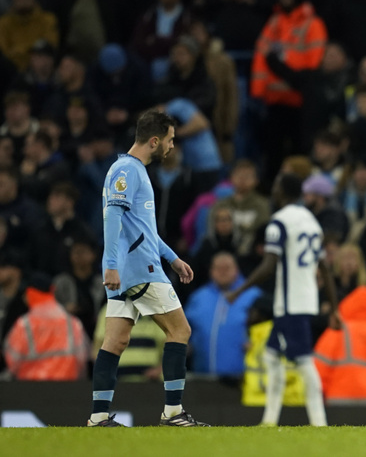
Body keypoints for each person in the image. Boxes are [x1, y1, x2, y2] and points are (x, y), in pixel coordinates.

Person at [88, 110, 206, 427]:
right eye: (169, 140)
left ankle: (98, 416)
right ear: (154, 141)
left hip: (132, 268)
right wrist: (110, 265)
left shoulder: (131, 170)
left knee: (115, 341)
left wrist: (173, 258)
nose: (171, 147)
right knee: (179, 331)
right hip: (140, 269)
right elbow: (113, 216)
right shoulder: (127, 169)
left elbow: (142, 228)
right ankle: (173, 412)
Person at [226, 173, 338, 427]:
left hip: (291, 301)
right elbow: (325, 268)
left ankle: (320, 422)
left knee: (303, 359)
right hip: (304, 298)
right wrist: (336, 308)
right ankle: (270, 419)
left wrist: (239, 290)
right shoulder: (311, 221)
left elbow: (268, 265)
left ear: (283, 192)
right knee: (271, 355)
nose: (273, 190)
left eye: (276, 186)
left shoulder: (280, 222)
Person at [3, 271, 90, 380]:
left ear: (30, 293)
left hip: (30, 389)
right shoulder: (72, 322)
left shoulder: (25, 324)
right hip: (66, 388)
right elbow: (82, 358)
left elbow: (12, 359)